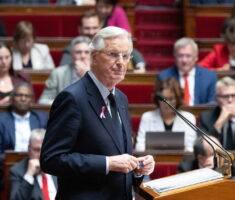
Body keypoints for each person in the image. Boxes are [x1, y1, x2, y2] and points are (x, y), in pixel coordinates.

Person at [40, 26, 155, 200]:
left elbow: (118, 158)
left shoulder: (122, 99)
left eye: (125, 56)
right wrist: (108, 163)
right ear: (94, 56)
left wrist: (136, 169)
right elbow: (52, 159)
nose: (121, 62)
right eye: (113, 54)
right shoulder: (73, 98)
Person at [59, 11, 146, 73]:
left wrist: (140, 66)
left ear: (100, 27)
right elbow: (63, 70)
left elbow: (130, 50)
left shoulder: (108, 43)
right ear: (80, 29)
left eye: (94, 28)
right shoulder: (71, 49)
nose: (91, 32)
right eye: (87, 28)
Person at [135, 78, 197, 152]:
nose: (167, 103)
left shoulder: (188, 118)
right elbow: (139, 147)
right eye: (163, 99)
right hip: (152, 160)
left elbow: (191, 149)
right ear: (157, 99)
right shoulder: (147, 117)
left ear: (177, 99)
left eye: (171, 99)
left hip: (181, 162)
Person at [157, 37, 217, 105]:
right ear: (175, 57)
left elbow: (211, 105)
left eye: (188, 56)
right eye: (180, 56)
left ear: (196, 57)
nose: (184, 60)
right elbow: (161, 104)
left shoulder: (209, 76)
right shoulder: (164, 76)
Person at [39, 36, 91, 105]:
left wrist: (86, 76)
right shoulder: (58, 73)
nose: (83, 56)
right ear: (71, 54)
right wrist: (64, 105)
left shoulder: (99, 74)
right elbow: (43, 101)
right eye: (78, 52)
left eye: (87, 52)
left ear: (92, 55)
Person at [0, 82, 48, 154]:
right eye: (19, 95)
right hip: (8, 162)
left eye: (27, 96)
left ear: (32, 101)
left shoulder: (41, 119)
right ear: (11, 99)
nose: (23, 99)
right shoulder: (1, 120)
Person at [10, 129, 57, 200]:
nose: (41, 155)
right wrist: (29, 175)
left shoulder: (56, 166)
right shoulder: (17, 171)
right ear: (29, 149)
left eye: (44, 150)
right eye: (36, 150)